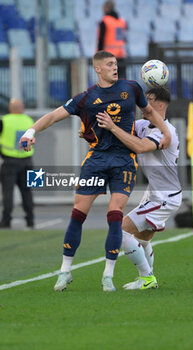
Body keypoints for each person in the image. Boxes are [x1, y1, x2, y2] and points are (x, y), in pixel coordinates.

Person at [19, 50, 171, 292]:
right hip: (96, 159)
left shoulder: (131, 88)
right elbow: (54, 116)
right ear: (98, 69)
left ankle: (108, 275)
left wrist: (167, 132)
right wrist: (31, 131)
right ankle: (65, 270)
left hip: (123, 160)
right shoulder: (86, 98)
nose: (115, 67)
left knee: (115, 215)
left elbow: (150, 112)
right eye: (109, 64)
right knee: (78, 213)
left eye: (116, 63)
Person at [96, 86, 182, 290]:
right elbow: (120, 129)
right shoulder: (143, 124)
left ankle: (147, 277)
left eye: (148, 100)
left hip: (164, 197)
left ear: (160, 105)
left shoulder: (165, 132)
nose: (143, 104)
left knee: (121, 230)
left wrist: (113, 128)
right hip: (156, 193)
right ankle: (149, 279)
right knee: (142, 239)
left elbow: (140, 146)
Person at [0, 98, 34, 228]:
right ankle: (30, 220)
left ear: (10, 108)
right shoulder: (29, 120)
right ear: (22, 108)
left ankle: (6, 221)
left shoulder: (4, 120)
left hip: (9, 162)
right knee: (28, 192)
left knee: (8, 192)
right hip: (28, 161)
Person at [97, 0, 127, 78]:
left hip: (108, 56)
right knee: (121, 80)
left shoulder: (105, 21)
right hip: (121, 55)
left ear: (106, 8)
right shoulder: (121, 21)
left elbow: (101, 40)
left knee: (109, 81)